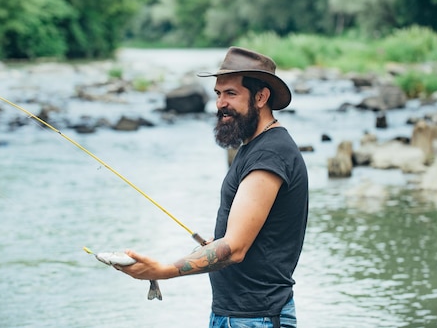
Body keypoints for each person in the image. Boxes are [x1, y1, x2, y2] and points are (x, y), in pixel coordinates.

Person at [116, 46, 309, 327]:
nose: (220, 103)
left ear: (261, 97)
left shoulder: (270, 154)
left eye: (231, 93)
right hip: (239, 316)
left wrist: (163, 270)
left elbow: (234, 249)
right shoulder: (256, 147)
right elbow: (242, 240)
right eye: (218, 94)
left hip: (255, 319)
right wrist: (215, 245)